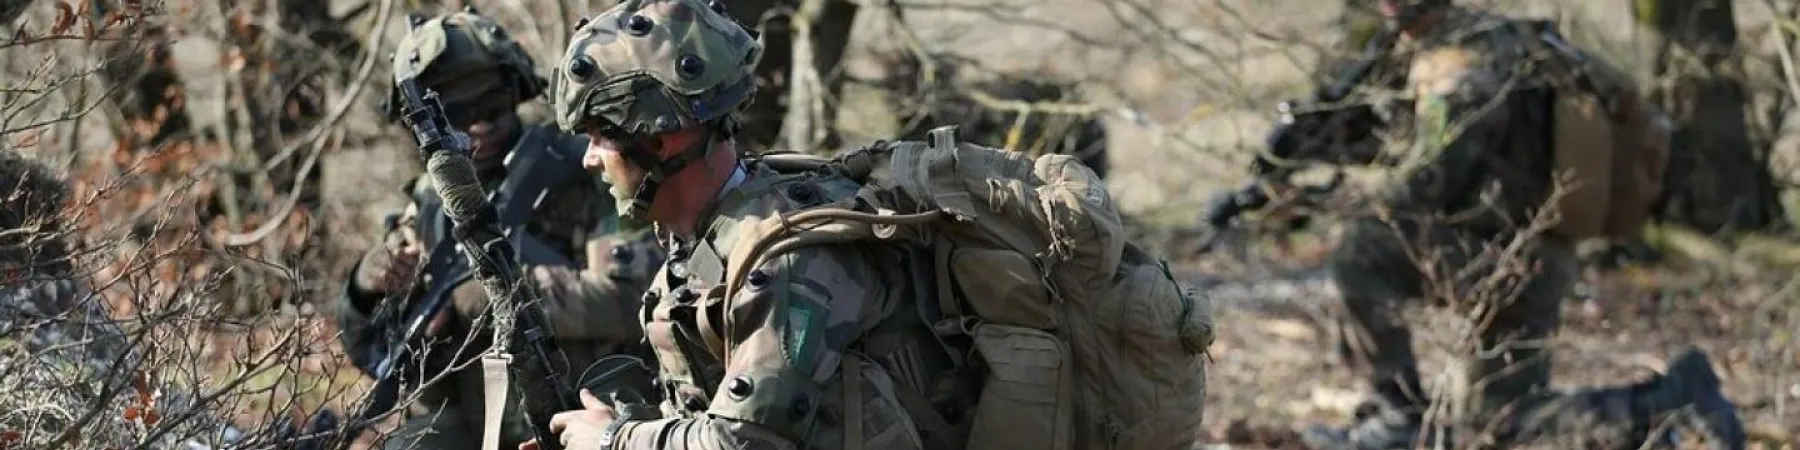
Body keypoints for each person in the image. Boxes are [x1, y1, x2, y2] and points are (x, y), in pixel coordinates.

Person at [1300, 1, 1746, 449]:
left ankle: (1396, 419)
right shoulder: (1500, 41)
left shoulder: (1465, 58)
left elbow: (1432, 180)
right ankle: (1667, 401)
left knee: (1361, 249)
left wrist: (1335, 199)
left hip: (1504, 259)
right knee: (1498, 425)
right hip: (1534, 261)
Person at [333, 7, 664, 450]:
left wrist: (501, 293)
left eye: (491, 104)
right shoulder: (430, 203)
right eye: (456, 112)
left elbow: (634, 299)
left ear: (514, 92)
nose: (480, 124)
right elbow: (378, 355)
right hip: (479, 416)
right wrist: (365, 288)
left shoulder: (586, 172)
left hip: (587, 407)